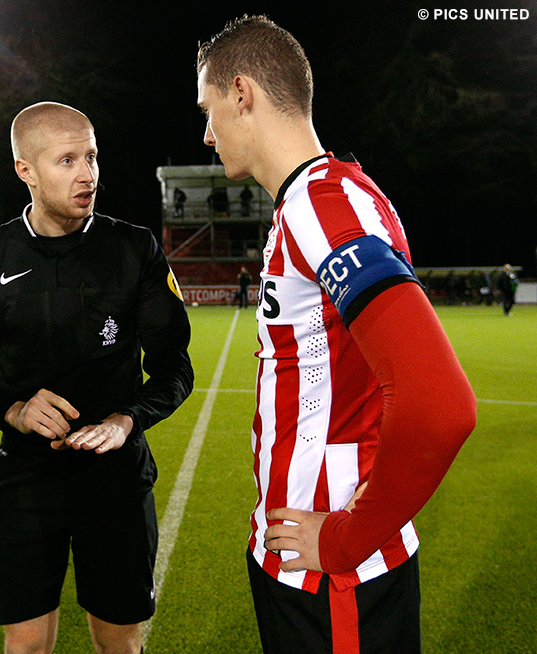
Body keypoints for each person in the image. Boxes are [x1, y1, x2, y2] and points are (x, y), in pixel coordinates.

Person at [196, 16, 475, 653]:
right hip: (311, 565)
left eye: (209, 110)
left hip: (335, 575)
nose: (206, 133)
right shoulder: (329, 197)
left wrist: (344, 539)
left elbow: (440, 404)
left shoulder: (323, 207)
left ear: (243, 93)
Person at [0, 102, 193, 654]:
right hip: (26, 481)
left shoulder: (135, 250)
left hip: (116, 481)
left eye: (92, 157)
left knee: (119, 644)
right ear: (25, 171)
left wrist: (129, 419)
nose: (88, 174)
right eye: (67, 160)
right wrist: (13, 410)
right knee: (27, 644)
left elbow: (175, 367)